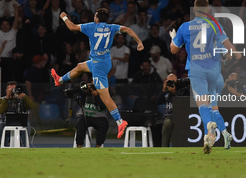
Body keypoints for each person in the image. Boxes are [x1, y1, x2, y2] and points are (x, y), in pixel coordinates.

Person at [51, 8, 144, 139]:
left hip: (98, 66)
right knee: (79, 66)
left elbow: (72, 27)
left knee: (105, 97)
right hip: (103, 62)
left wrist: (64, 17)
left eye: (95, 16)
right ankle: (59, 80)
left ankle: (120, 122)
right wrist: (139, 42)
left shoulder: (91, 26)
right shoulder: (111, 27)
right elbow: (128, 30)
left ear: (97, 18)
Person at [170, 0, 241, 154]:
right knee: (213, 108)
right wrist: (235, 56)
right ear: (208, 10)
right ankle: (224, 134)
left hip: (197, 71)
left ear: (194, 10)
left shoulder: (185, 27)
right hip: (215, 74)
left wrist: (173, 39)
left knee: (203, 105)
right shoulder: (214, 26)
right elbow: (230, 51)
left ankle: (210, 131)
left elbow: (173, 50)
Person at [69, 82, 109, 148]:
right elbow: (78, 100)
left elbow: (103, 107)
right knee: (80, 123)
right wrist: (83, 90)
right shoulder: (84, 92)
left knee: (104, 124)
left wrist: (96, 96)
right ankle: (79, 145)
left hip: (99, 116)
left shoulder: (103, 92)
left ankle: (98, 145)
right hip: (85, 115)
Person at [157, 73, 190, 147]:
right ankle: (164, 147)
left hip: (181, 115)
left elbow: (185, 102)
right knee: (168, 123)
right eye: (169, 81)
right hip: (169, 115)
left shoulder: (183, 90)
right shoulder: (165, 91)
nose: (171, 84)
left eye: (173, 81)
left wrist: (175, 92)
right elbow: (158, 101)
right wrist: (163, 90)